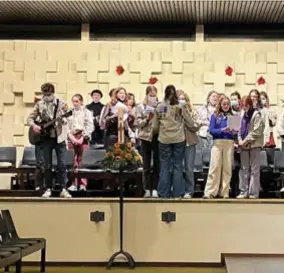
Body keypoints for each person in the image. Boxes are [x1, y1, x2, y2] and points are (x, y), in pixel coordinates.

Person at [27, 83, 71, 198]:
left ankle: (63, 188)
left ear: (53, 93)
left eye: (49, 94)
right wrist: (34, 126)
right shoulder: (39, 104)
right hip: (46, 138)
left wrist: (63, 121)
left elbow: (67, 119)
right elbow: (30, 118)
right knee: (47, 165)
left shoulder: (61, 104)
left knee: (62, 164)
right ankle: (48, 188)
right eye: (45, 94)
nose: (47, 96)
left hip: (59, 137)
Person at [152, 85, 192, 199]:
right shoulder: (180, 107)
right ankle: (178, 193)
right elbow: (189, 121)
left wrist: (155, 133)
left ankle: (163, 193)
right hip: (179, 139)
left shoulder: (159, 107)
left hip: (164, 139)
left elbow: (155, 127)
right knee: (178, 165)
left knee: (164, 165)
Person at [203, 95, 236, 199]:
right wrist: (222, 130)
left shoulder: (233, 116)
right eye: (224, 104)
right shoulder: (215, 116)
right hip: (217, 143)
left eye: (227, 104)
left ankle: (224, 192)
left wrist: (234, 131)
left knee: (227, 168)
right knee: (215, 167)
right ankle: (210, 192)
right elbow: (211, 130)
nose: (226, 106)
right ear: (220, 105)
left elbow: (235, 132)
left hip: (229, 143)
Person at [237, 96, 264, 199]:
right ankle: (244, 191)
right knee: (244, 169)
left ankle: (253, 193)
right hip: (243, 146)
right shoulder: (242, 114)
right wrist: (240, 140)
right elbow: (239, 129)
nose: (243, 107)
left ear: (249, 104)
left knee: (254, 170)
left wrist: (246, 140)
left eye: (245, 105)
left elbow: (257, 131)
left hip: (254, 145)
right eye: (242, 106)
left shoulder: (257, 114)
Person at [177, 90, 203, 199]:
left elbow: (195, 126)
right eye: (179, 98)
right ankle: (178, 190)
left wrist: (185, 114)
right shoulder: (173, 111)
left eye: (183, 98)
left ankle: (189, 190)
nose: (181, 100)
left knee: (189, 168)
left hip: (190, 142)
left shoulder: (192, 111)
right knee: (178, 167)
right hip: (177, 142)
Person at [136, 86, 160, 198]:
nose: (152, 98)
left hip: (157, 137)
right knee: (146, 165)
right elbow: (138, 123)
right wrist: (147, 119)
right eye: (150, 96)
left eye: (154, 95)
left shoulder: (160, 106)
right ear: (146, 95)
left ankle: (155, 188)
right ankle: (146, 189)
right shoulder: (141, 106)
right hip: (145, 137)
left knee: (157, 164)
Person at [67, 94, 94, 192]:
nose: (75, 103)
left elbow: (90, 126)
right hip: (72, 137)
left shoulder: (87, 112)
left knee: (82, 161)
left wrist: (83, 137)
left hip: (83, 136)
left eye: (77, 101)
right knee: (73, 161)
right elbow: (66, 127)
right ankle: (74, 183)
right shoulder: (69, 113)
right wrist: (71, 137)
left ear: (81, 102)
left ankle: (83, 184)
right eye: (73, 101)